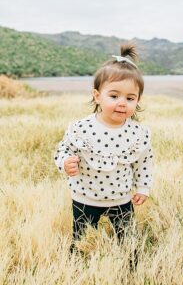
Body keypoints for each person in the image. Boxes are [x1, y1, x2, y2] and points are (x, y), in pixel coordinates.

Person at [54, 44, 153, 246]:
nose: (122, 103)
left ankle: (130, 265)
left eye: (130, 98)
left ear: (138, 100)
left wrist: (143, 187)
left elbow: (144, 161)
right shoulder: (82, 128)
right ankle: (79, 264)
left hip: (121, 199)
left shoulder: (137, 133)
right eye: (114, 96)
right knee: (81, 239)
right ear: (98, 96)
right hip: (85, 197)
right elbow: (63, 149)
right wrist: (65, 162)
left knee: (128, 240)